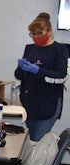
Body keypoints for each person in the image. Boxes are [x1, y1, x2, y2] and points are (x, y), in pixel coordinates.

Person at [15, 12, 68, 142]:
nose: (36, 37)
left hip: (48, 104)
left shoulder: (60, 49)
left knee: (38, 141)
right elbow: (18, 76)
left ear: (49, 30)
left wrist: (38, 70)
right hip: (29, 103)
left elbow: (61, 76)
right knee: (29, 141)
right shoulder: (29, 49)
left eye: (39, 33)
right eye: (32, 34)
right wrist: (21, 68)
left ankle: (38, 163)